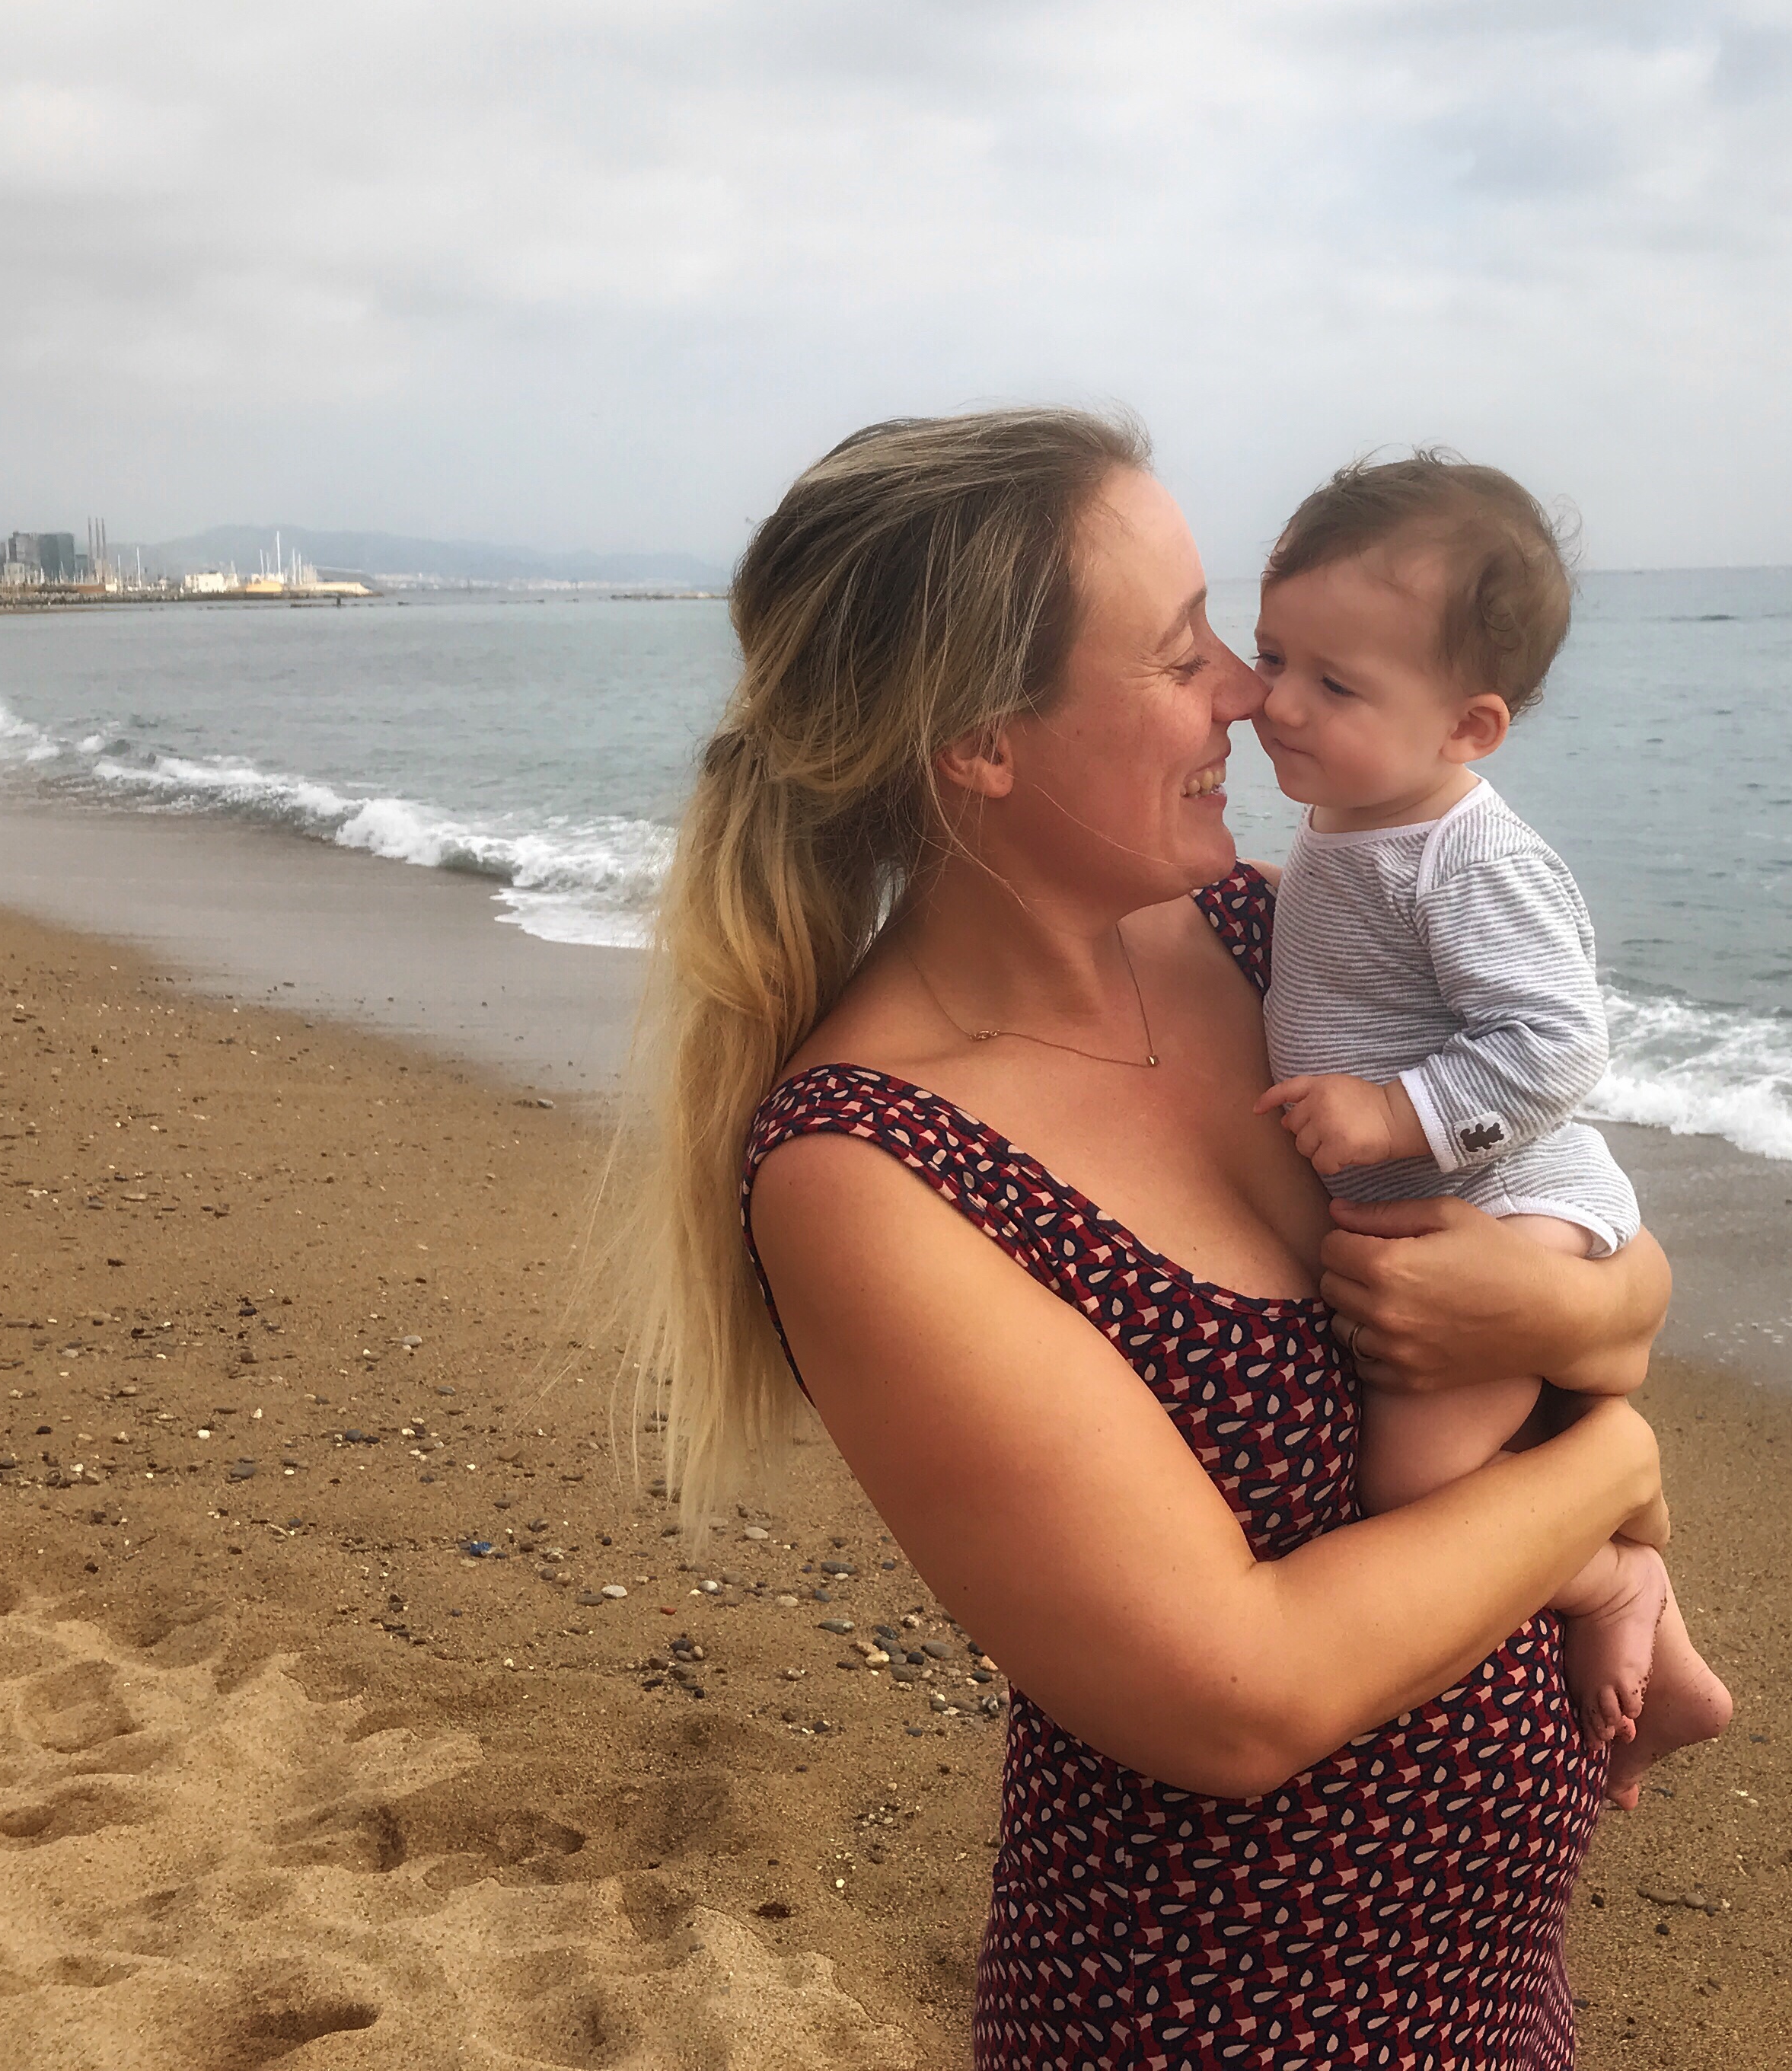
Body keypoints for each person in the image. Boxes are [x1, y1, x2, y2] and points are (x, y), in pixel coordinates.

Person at [625, 408, 1676, 2066]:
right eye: (1185, 652)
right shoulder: (873, 1166)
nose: (1249, 694)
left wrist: (1573, 1323)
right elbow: (1234, 1699)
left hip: (1495, 1991)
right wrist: (1610, 1472)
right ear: (981, 742)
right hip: (1213, 2017)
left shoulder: (1269, 937)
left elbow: (1606, 1245)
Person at [1247, 452, 1732, 1805]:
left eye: (1335, 684)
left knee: (1420, 1484)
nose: (1276, 702)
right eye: (1271, 655)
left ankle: (1611, 1577)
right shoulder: (1358, 815)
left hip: (1520, 1199)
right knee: (1495, 1450)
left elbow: (1559, 1042)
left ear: (1469, 727)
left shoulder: (1469, 855)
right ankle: (1667, 1653)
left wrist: (1394, 1108)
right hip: (1462, 1206)